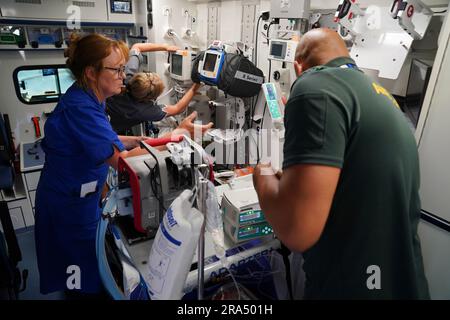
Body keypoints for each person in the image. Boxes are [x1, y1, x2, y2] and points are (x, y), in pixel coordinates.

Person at [252, 28, 429, 299]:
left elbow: (297, 230)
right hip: (403, 283)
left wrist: (261, 175)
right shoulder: (385, 100)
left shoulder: (314, 88)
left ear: (298, 67)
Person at [34, 33, 211, 299]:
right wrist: (175, 138)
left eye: (121, 68)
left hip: (82, 194)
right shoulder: (81, 107)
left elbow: (108, 139)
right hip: (68, 205)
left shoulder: (92, 97)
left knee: (88, 267)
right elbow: (122, 162)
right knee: (78, 280)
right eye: (116, 69)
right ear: (91, 72)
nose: (122, 76)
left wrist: (147, 140)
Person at [106, 42, 202, 134]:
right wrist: (197, 84)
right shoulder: (142, 110)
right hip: (105, 127)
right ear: (150, 99)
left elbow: (137, 47)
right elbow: (178, 109)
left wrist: (165, 47)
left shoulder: (127, 76)